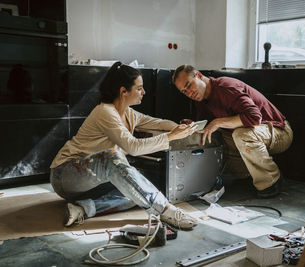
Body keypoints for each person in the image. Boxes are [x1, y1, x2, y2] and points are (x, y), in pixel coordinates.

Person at [50, 62, 198, 229]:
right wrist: (172, 136)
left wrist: (184, 128)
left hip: (91, 183)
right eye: (139, 88)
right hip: (66, 175)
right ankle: (166, 211)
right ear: (123, 91)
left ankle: (82, 209)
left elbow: (157, 123)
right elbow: (132, 147)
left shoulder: (128, 113)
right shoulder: (105, 111)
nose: (144, 92)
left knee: (137, 190)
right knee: (113, 157)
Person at [172, 65, 293, 198]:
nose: (189, 93)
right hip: (256, 134)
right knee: (213, 135)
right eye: (184, 91)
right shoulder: (202, 100)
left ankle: (272, 181)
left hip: (279, 132)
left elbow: (254, 117)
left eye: (189, 85)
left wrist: (218, 122)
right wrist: (194, 125)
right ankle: (247, 175)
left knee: (241, 134)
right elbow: (208, 126)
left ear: (199, 76)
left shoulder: (226, 87)